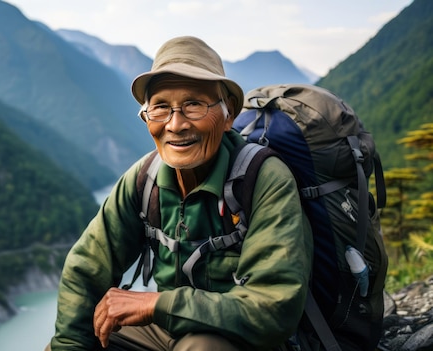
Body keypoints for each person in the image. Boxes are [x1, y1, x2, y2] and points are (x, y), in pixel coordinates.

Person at [45, 36, 313, 351]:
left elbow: (274, 308)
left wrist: (156, 305)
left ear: (228, 116)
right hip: (165, 329)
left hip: (244, 337)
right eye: (160, 107)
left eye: (193, 105)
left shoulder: (263, 180)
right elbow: (86, 268)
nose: (175, 124)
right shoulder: (144, 180)